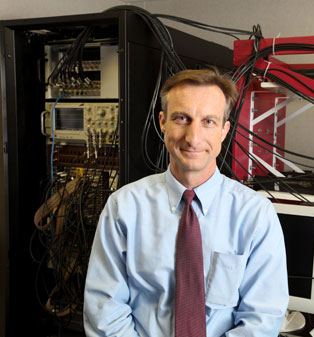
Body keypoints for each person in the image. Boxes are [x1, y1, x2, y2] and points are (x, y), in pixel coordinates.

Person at [83, 68, 289, 337]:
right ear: (163, 122)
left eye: (208, 121)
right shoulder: (124, 208)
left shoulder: (255, 215)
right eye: (182, 118)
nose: (193, 138)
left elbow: (262, 318)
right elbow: (104, 310)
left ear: (225, 130)